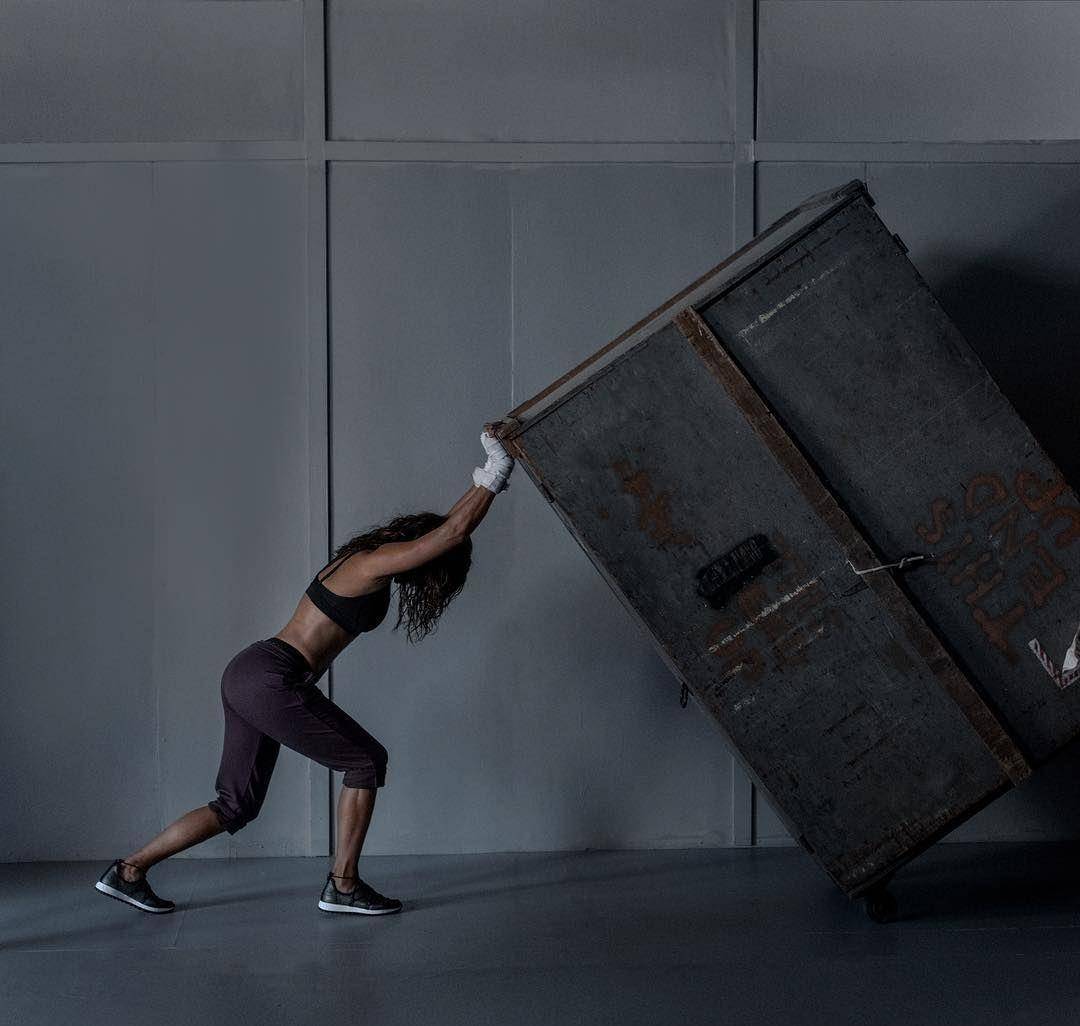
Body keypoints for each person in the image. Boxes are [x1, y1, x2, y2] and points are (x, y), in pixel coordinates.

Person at [94, 425, 515, 916]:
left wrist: (487, 480)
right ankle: (343, 884)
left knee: (235, 806)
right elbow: (452, 532)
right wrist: (495, 469)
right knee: (365, 761)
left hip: (250, 672)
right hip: (272, 676)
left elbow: (446, 528)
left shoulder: (364, 562)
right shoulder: (371, 565)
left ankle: (128, 871)